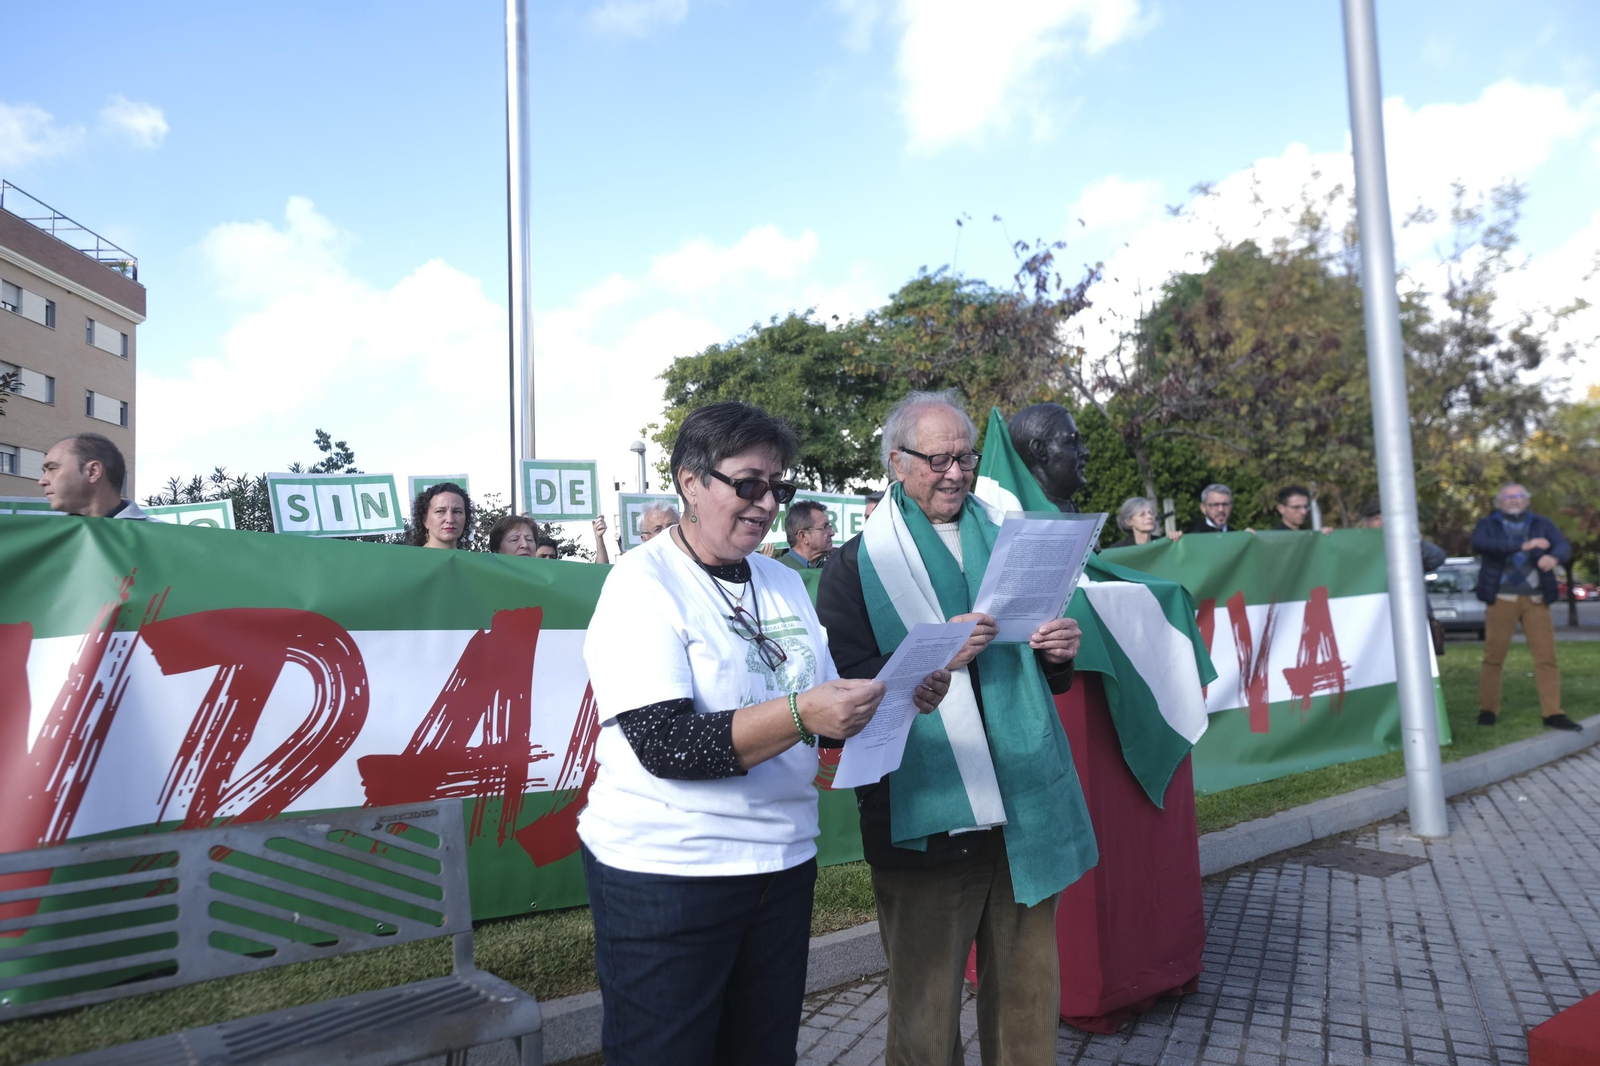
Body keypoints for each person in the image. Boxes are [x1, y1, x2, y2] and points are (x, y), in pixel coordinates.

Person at [578, 400, 949, 1066]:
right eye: (748, 484)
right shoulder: (641, 585)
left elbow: (824, 720)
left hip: (781, 864)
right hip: (670, 873)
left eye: (780, 488)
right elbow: (669, 746)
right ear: (690, 481)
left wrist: (895, 699)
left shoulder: (784, 583)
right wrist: (805, 713)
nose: (766, 503)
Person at [815, 389, 1095, 1066]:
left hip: (1023, 800)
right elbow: (847, 693)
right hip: (925, 816)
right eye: (937, 458)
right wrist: (937, 652)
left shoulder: (1012, 540)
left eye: (964, 456)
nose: (955, 472)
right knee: (925, 1010)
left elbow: (1041, 675)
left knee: (1029, 1001)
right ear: (896, 463)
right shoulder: (853, 565)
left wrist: (1058, 654)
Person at [1471, 484, 1578, 731]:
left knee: (1546, 658)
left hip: (1536, 600)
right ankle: (1487, 710)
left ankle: (1553, 713)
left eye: (1518, 496)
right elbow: (1481, 544)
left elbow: (1562, 545)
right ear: (1499, 502)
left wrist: (1554, 557)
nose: (1513, 500)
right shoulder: (1488, 524)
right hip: (1501, 599)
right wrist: (1522, 546)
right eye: (1507, 497)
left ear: (1527, 500)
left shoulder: (1542, 523)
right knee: (1493, 658)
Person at [38, 433, 149, 519]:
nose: (42, 481)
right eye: (44, 471)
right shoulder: (45, 538)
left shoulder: (159, 538)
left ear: (93, 471)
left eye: (52, 468)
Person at [1008, 401, 1089, 512]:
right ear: (1040, 449)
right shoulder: (1025, 521)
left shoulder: (1069, 509)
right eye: (1071, 442)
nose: (1085, 451)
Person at [410, 482, 471, 549]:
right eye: (440, 511)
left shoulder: (471, 559)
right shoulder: (409, 559)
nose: (450, 520)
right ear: (425, 520)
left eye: (457, 512)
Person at [1108, 496, 1183, 548]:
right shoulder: (1119, 549)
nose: (1149, 517)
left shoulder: (1162, 544)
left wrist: (1177, 541)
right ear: (1129, 521)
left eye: (1151, 513)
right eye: (1142, 514)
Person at [779, 499, 833, 570]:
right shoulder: (777, 570)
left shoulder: (832, 570)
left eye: (829, 527)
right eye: (824, 527)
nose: (832, 533)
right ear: (803, 536)